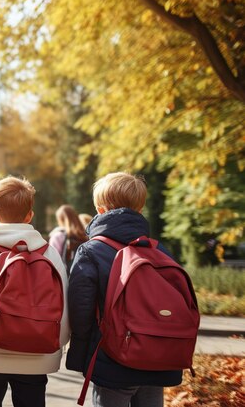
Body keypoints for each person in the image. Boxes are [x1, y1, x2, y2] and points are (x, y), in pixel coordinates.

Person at [66, 172, 182, 407]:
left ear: (100, 210)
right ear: (140, 209)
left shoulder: (91, 251)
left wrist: (80, 353)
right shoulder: (160, 252)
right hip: (156, 355)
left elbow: (81, 310)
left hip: (113, 357)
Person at [0, 176, 69, 407]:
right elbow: (64, 305)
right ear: (30, 215)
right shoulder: (47, 253)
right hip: (37, 354)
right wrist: (57, 344)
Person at [48, 204, 88, 273]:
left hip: (65, 278)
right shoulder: (85, 235)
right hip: (83, 275)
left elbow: (52, 261)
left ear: (60, 220)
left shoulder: (57, 236)